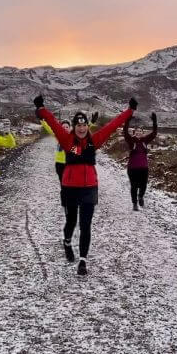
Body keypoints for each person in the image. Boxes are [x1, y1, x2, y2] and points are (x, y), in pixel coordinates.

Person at [35, 96, 136, 275]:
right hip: (70, 188)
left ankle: (83, 260)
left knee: (86, 224)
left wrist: (129, 111)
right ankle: (66, 241)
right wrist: (41, 108)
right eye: (78, 125)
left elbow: (112, 125)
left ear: (87, 126)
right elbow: (53, 122)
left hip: (89, 188)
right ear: (74, 127)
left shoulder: (94, 141)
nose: (81, 128)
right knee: (71, 221)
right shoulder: (66, 140)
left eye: (84, 125)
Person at [41, 112, 98, 208]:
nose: (64, 128)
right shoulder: (58, 136)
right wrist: (42, 120)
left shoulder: (73, 137)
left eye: (66, 127)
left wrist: (92, 122)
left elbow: (85, 129)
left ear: (70, 128)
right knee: (63, 185)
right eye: (63, 127)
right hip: (59, 164)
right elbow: (49, 128)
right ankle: (65, 203)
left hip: (70, 164)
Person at [123, 112, 157, 211]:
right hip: (132, 168)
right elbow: (125, 132)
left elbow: (154, 133)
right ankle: (134, 203)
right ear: (134, 132)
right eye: (137, 131)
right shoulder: (131, 141)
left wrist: (154, 121)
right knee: (134, 186)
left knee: (143, 185)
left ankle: (141, 197)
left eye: (140, 131)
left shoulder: (145, 141)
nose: (138, 132)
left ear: (143, 133)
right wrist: (128, 120)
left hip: (144, 168)